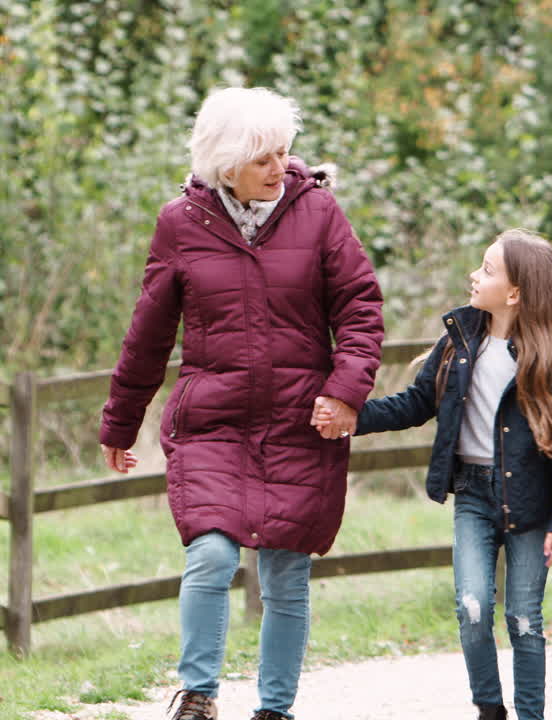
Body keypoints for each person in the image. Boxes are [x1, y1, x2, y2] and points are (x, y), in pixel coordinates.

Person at [99, 87, 384, 720]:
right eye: (263, 158)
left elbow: (361, 308)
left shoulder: (319, 214)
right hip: (212, 422)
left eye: (284, 153)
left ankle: (274, 709)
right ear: (226, 161)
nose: (279, 167)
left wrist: (345, 390)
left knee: (286, 570)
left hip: (298, 421)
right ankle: (198, 696)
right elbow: (148, 333)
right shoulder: (181, 223)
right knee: (211, 552)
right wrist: (121, 420)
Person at [313, 229, 552, 720]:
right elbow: (418, 402)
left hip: (532, 504)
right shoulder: (457, 343)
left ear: (515, 292)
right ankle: (489, 709)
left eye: (486, 269)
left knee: (524, 620)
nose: (473, 276)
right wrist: (356, 417)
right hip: (474, 496)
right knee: (472, 606)